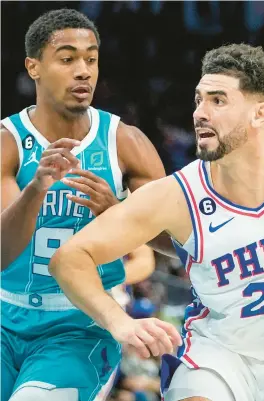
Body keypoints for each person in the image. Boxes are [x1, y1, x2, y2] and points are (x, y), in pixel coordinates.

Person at [49, 43, 264, 401]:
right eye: (198, 99)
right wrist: (119, 322)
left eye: (218, 100)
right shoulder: (177, 194)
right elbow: (70, 258)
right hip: (224, 358)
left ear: (260, 114)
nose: (200, 112)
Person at [1, 9, 181, 401]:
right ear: (34, 67)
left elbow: (176, 241)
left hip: (81, 325)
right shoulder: (7, 142)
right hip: (4, 316)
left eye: (92, 59)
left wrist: (116, 212)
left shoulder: (126, 142)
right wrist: (35, 189)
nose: (83, 71)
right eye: (67, 59)